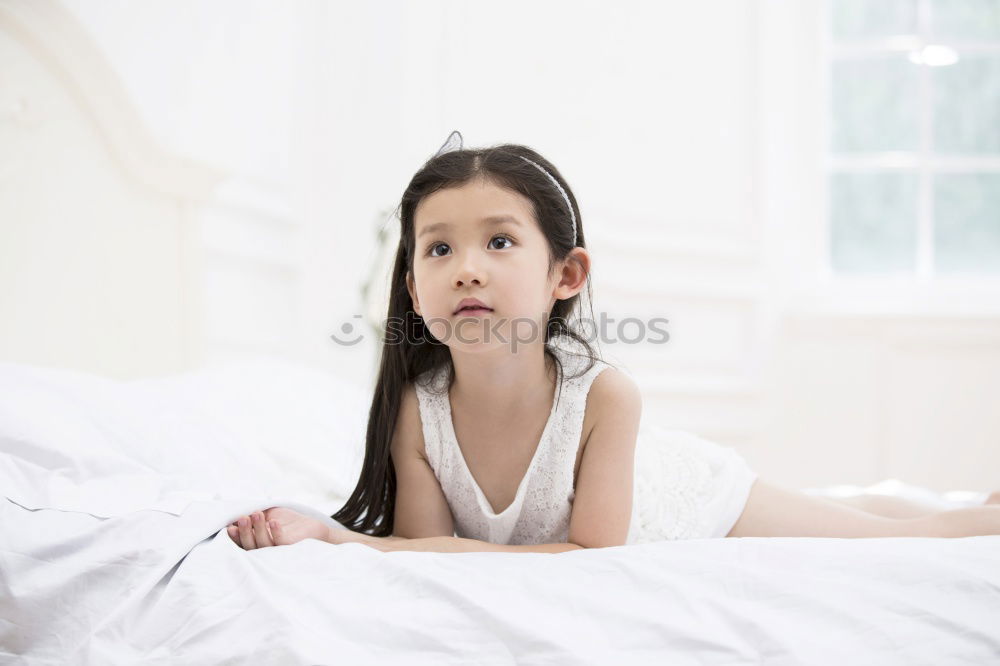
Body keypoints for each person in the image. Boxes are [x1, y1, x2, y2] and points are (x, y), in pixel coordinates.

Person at [228, 132, 1000, 552]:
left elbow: (591, 558)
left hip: (685, 498)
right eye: (437, 250)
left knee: (895, 537)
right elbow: (431, 554)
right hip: (639, 491)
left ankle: (945, 510)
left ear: (566, 275)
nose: (466, 269)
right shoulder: (415, 408)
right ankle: (893, 497)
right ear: (410, 288)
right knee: (860, 510)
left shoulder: (603, 395)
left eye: (499, 242)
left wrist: (348, 545)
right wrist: (335, 536)